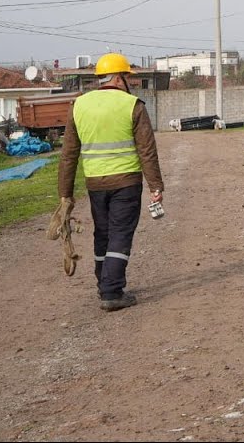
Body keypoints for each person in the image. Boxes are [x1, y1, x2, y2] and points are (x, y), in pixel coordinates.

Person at [58, 53, 164, 311]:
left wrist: (65, 193)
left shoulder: (79, 105)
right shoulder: (132, 105)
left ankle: (103, 282)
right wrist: (156, 186)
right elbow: (147, 151)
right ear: (118, 78)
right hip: (126, 182)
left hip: (95, 184)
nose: (129, 82)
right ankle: (112, 292)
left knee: (103, 233)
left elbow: (69, 153)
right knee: (120, 234)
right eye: (127, 77)